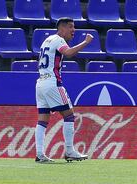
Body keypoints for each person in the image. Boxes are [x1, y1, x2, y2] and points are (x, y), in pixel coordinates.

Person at [35, 17, 92, 163]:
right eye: (71, 27)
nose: (74, 30)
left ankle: (40, 154)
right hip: (52, 83)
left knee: (43, 119)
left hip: (40, 83)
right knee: (69, 115)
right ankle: (69, 151)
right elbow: (68, 53)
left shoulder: (46, 41)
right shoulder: (59, 40)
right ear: (62, 28)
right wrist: (86, 42)